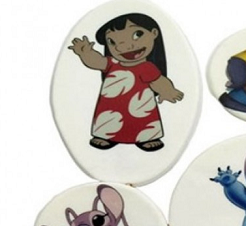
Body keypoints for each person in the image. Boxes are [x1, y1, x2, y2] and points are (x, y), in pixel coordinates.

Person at [69, 13, 184, 151]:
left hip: (140, 106)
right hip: (111, 107)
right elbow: (97, 61)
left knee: (143, 120)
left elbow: (158, 81)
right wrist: (85, 53)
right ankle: (105, 136)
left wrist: (168, 91)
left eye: (137, 35)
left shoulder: (146, 68)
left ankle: (147, 137)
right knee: (107, 120)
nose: (123, 46)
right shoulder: (111, 63)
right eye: (112, 41)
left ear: (154, 33)